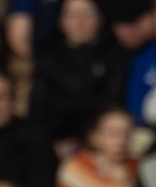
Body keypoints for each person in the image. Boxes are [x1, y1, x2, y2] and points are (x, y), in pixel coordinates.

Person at [30, 0, 131, 146]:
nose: (80, 21)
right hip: (55, 142)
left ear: (101, 18)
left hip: (102, 142)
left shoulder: (116, 55)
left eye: (88, 13)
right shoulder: (47, 58)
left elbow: (113, 102)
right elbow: (39, 110)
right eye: (73, 15)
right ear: (60, 21)